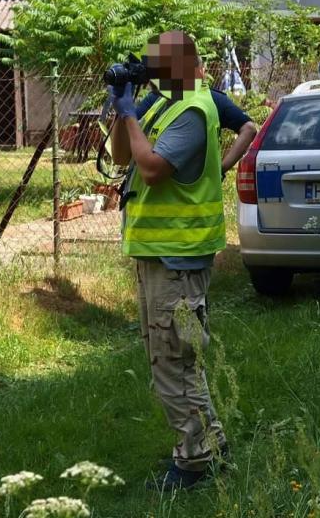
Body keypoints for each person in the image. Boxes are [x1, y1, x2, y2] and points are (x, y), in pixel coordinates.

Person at [109, 30, 256, 490]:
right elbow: (122, 155)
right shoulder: (163, 103)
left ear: (184, 66)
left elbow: (152, 170)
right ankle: (210, 445)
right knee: (176, 359)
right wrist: (123, 111)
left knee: (175, 362)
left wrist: (130, 112)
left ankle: (196, 463)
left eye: (160, 64)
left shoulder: (193, 109)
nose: (153, 71)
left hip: (178, 260)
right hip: (159, 255)